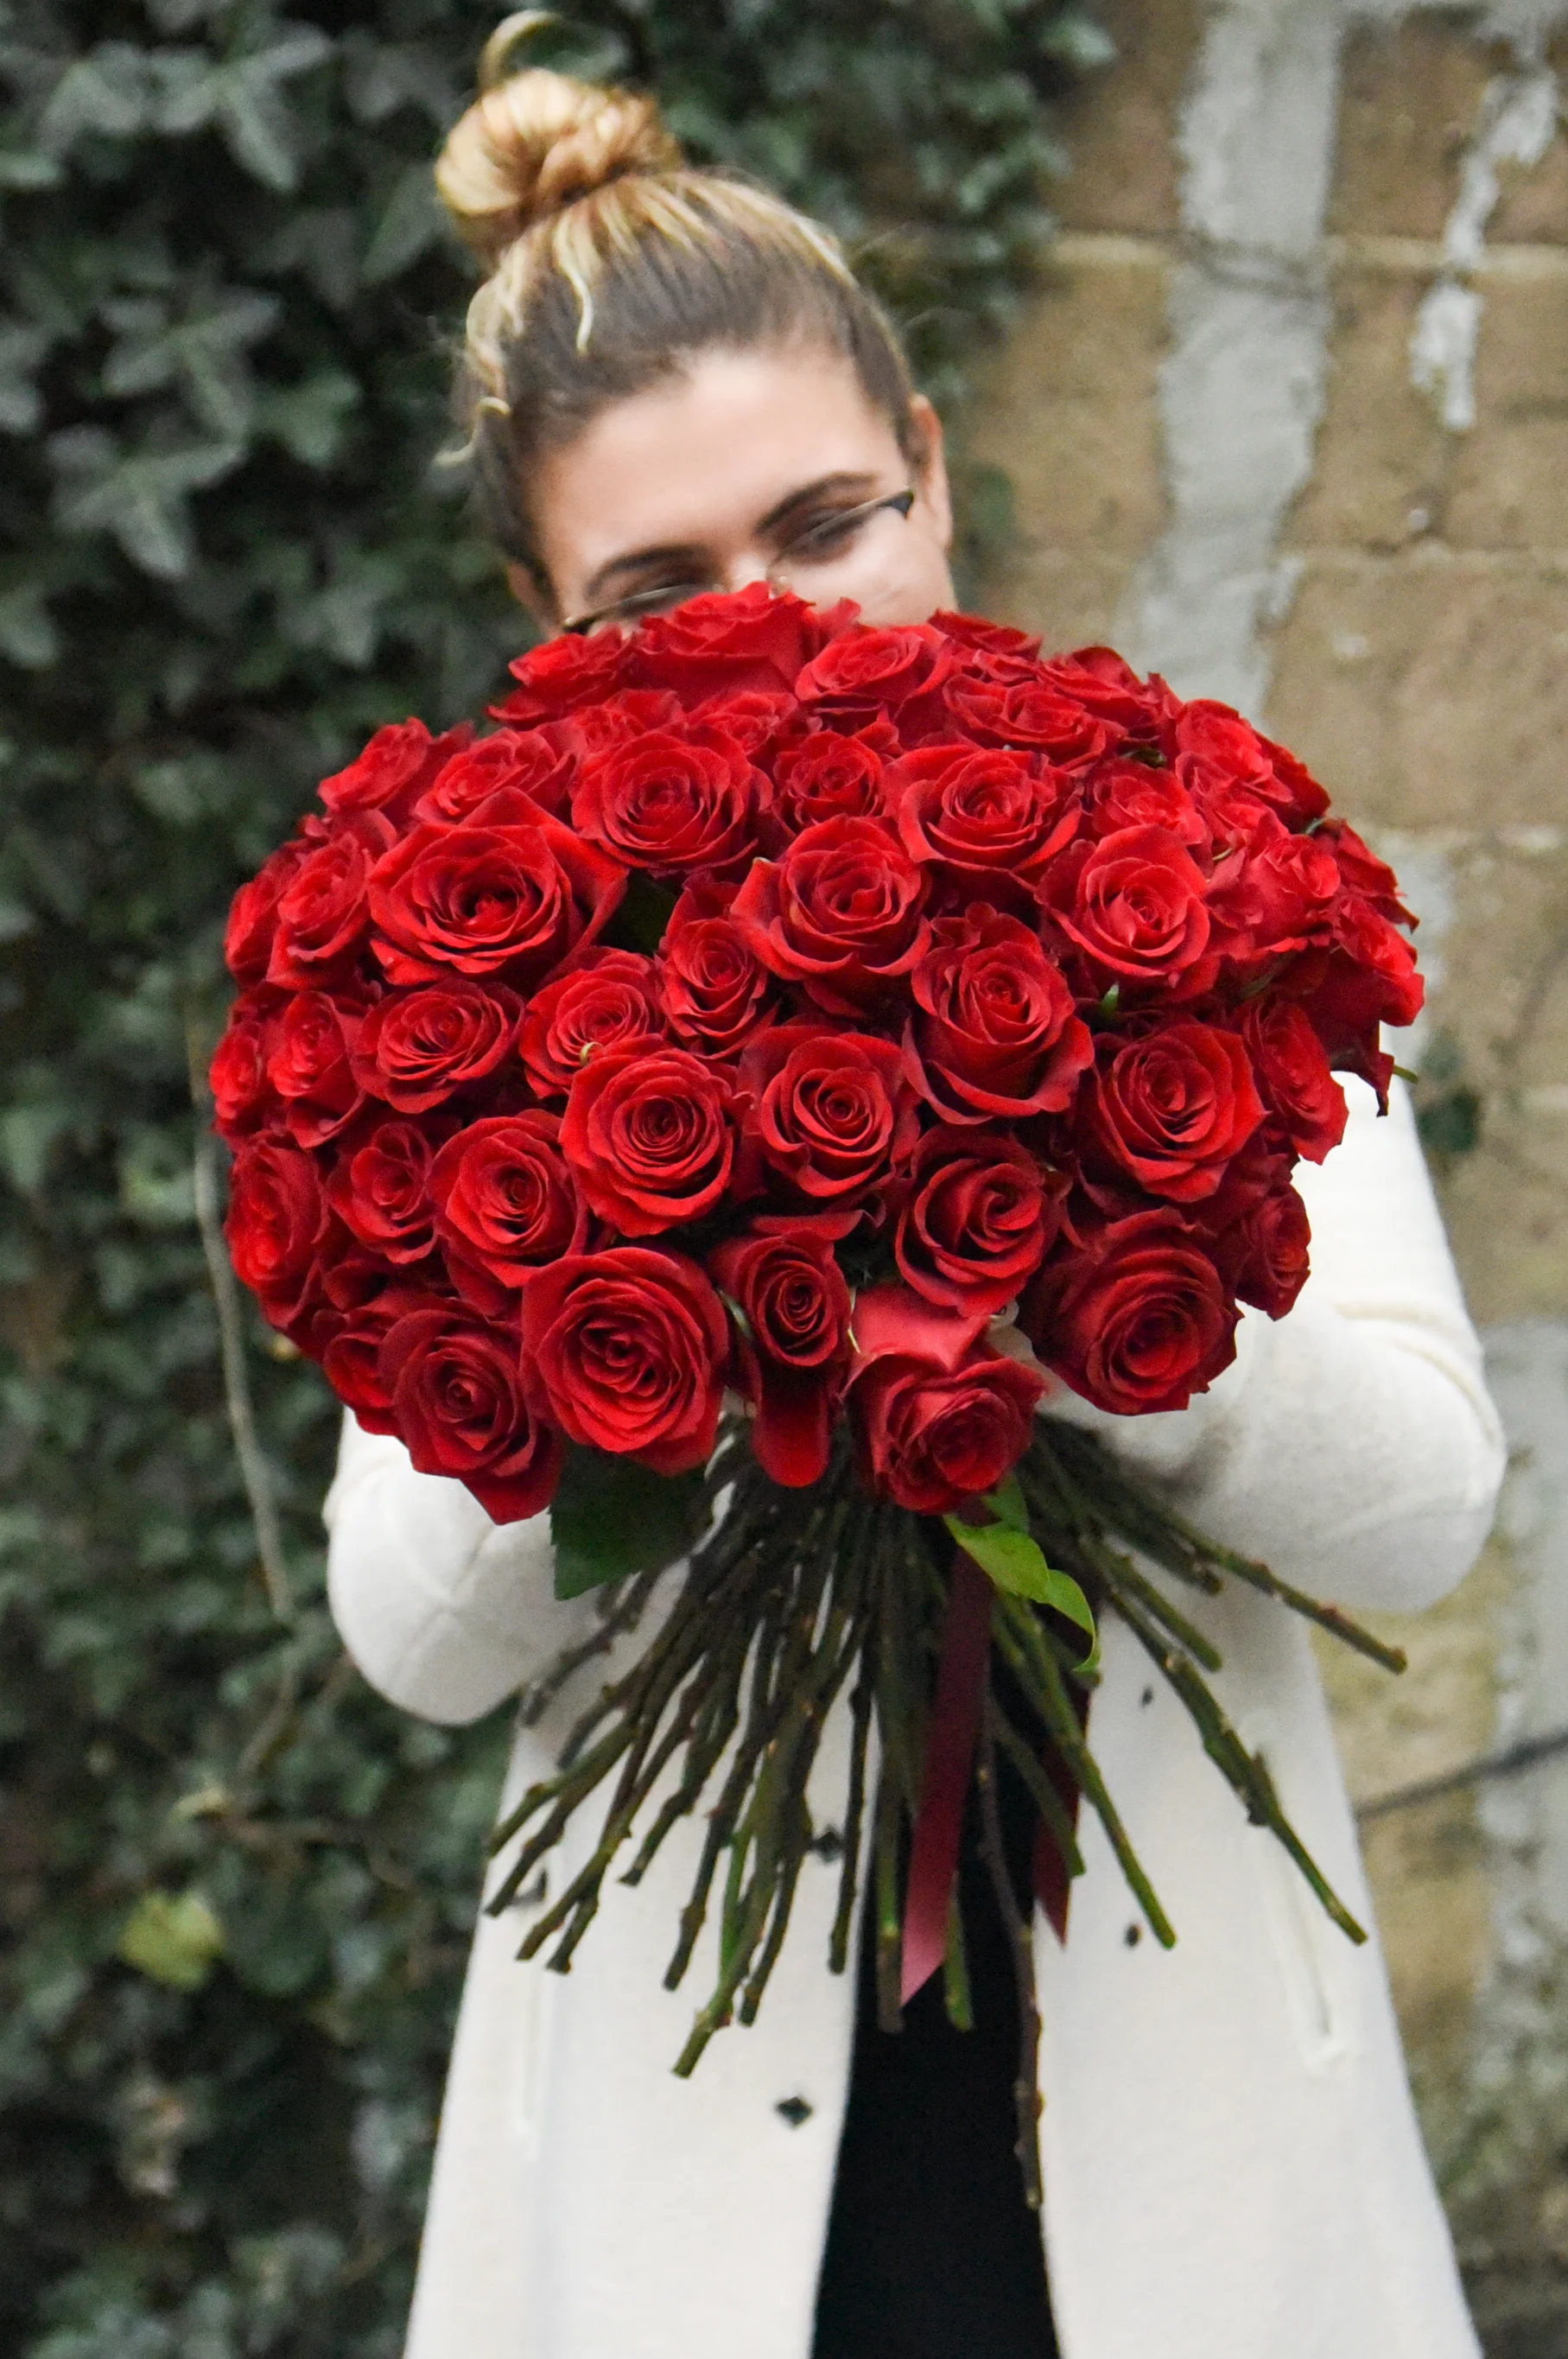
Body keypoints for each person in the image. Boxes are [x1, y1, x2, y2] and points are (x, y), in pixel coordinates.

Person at [322, 30, 1507, 2359]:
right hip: (682, 2157)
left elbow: (1418, 1520)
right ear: (543, 624)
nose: (766, 618)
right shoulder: (506, 994)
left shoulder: (1198, 894)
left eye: (824, 522)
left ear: (931, 475)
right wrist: (619, 1262)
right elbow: (417, 1635)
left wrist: (1084, 1255)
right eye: (656, 579)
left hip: (1177, 2157)